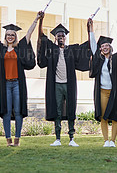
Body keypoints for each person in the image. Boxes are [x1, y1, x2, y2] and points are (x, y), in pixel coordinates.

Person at [0, 12, 40, 147]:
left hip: (17, 83)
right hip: (5, 84)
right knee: (5, 111)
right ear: (5, 37)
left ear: (15, 36)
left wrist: (35, 20)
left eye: (12, 35)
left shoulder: (20, 48)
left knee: (18, 111)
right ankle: (8, 140)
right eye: (8, 35)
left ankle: (17, 140)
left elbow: (29, 33)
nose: (10, 37)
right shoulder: (0, 48)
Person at [37, 14, 91, 147]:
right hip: (56, 85)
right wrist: (41, 21)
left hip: (69, 85)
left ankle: (72, 138)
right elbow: (41, 38)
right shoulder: (51, 49)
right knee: (58, 111)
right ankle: (57, 138)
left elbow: (88, 44)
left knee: (71, 109)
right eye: (58, 36)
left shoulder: (71, 50)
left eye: (63, 36)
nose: (61, 37)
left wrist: (89, 28)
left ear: (65, 37)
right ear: (55, 38)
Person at [87, 19, 117, 147]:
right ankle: (106, 141)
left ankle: (113, 141)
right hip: (102, 91)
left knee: (115, 116)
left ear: (110, 47)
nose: (105, 47)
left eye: (107, 46)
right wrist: (91, 30)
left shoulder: (116, 58)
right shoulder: (99, 60)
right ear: (101, 49)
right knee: (103, 116)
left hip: (114, 92)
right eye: (103, 46)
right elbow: (93, 45)